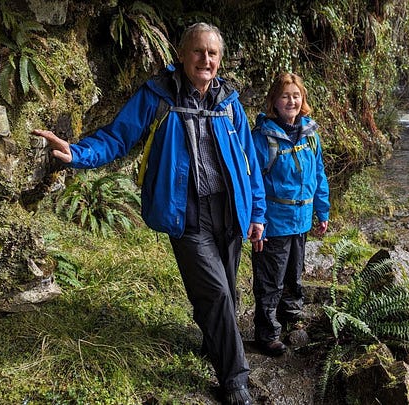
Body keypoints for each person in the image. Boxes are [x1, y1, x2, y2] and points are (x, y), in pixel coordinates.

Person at [32, 22, 264, 405]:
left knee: (225, 292)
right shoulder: (157, 95)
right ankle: (235, 380)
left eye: (212, 53)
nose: (205, 59)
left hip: (230, 213)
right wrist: (78, 153)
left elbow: (249, 163)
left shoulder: (229, 101)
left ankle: (214, 344)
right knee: (218, 293)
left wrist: (257, 213)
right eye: (198, 51)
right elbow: (117, 136)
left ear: (219, 59)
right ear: (182, 54)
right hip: (186, 214)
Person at [250, 72, 330, 356]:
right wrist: (256, 220)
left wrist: (322, 211)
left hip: (301, 221)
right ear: (274, 100)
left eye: (296, 96)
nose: (291, 101)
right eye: (285, 96)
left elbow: (318, 174)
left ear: (303, 100)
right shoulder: (262, 138)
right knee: (270, 280)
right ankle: (267, 334)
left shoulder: (310, 135)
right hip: (274, 222)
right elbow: (252, 183)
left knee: (294, 275)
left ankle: (291, 320)